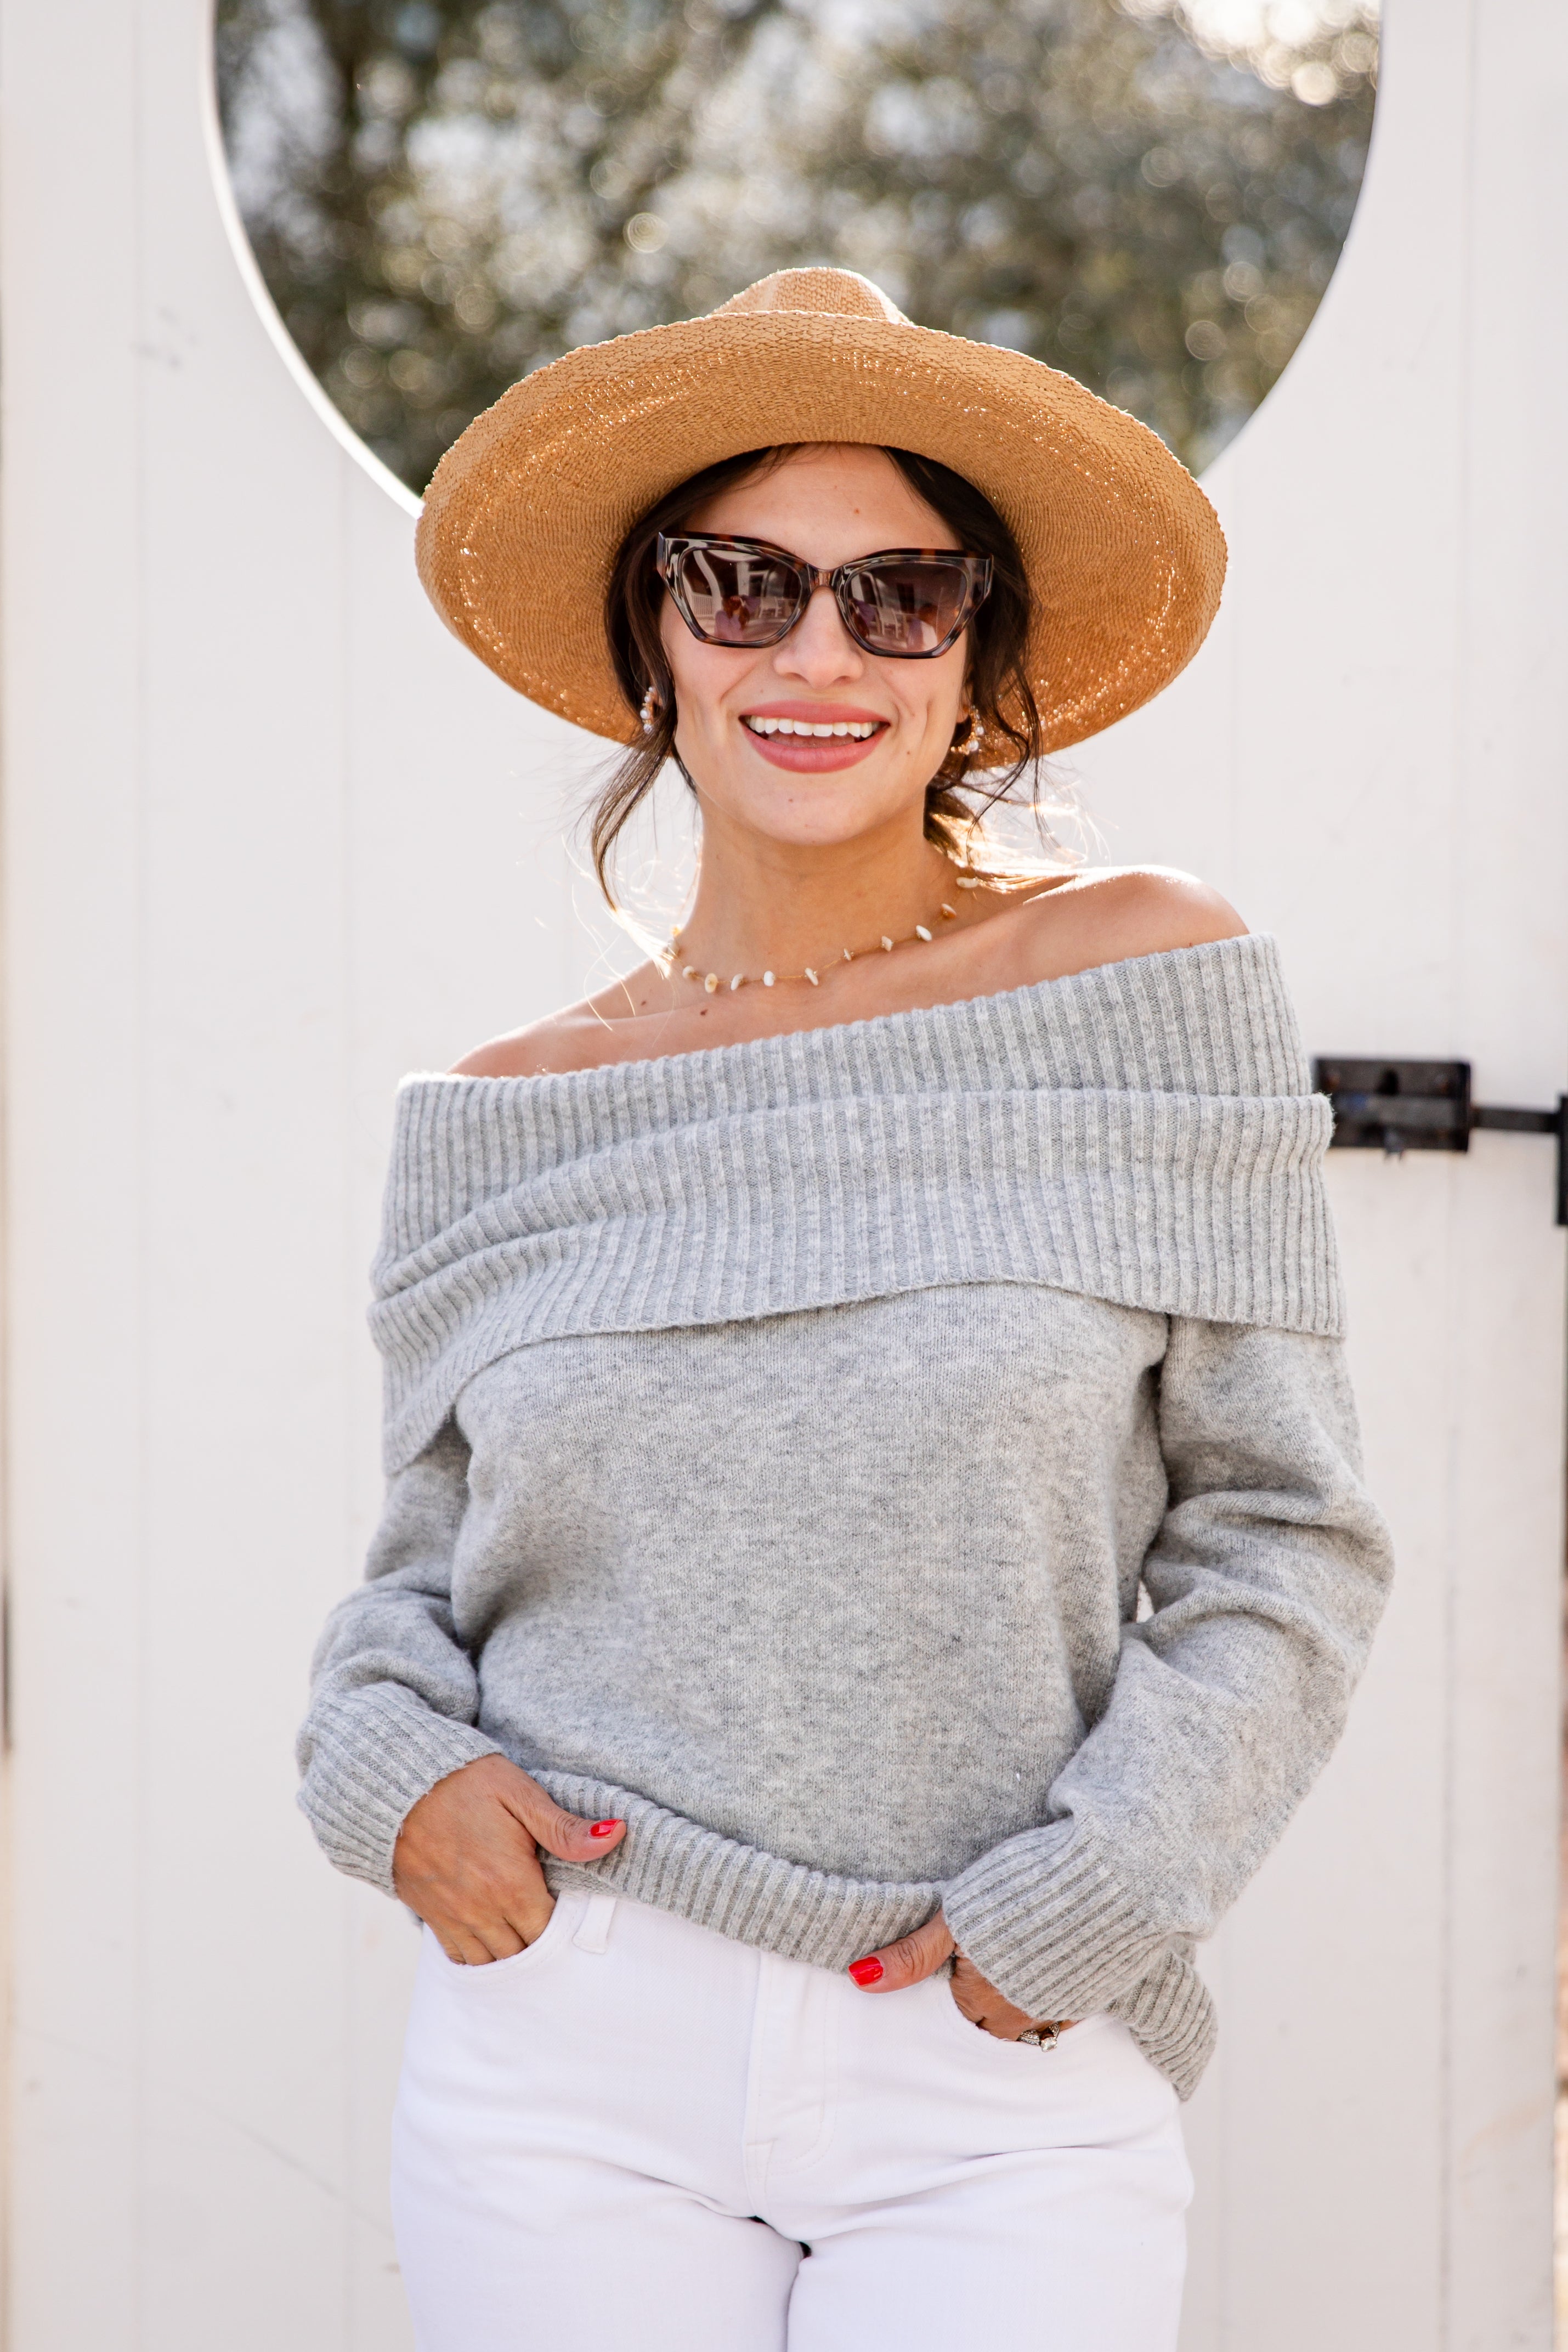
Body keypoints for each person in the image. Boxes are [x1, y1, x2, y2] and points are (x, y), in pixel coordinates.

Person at [298, 268, 1393, 2352]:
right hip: (567, 2050)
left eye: (903, 596)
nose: (820, 652)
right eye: (743, 585)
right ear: (651, 636)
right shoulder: (499, 1119)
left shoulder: (1142, 982)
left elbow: (1285, 1530)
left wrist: (1093, 1897)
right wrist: (385, 1773)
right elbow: (415, 1589)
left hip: (994, 2056)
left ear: (973, 658)